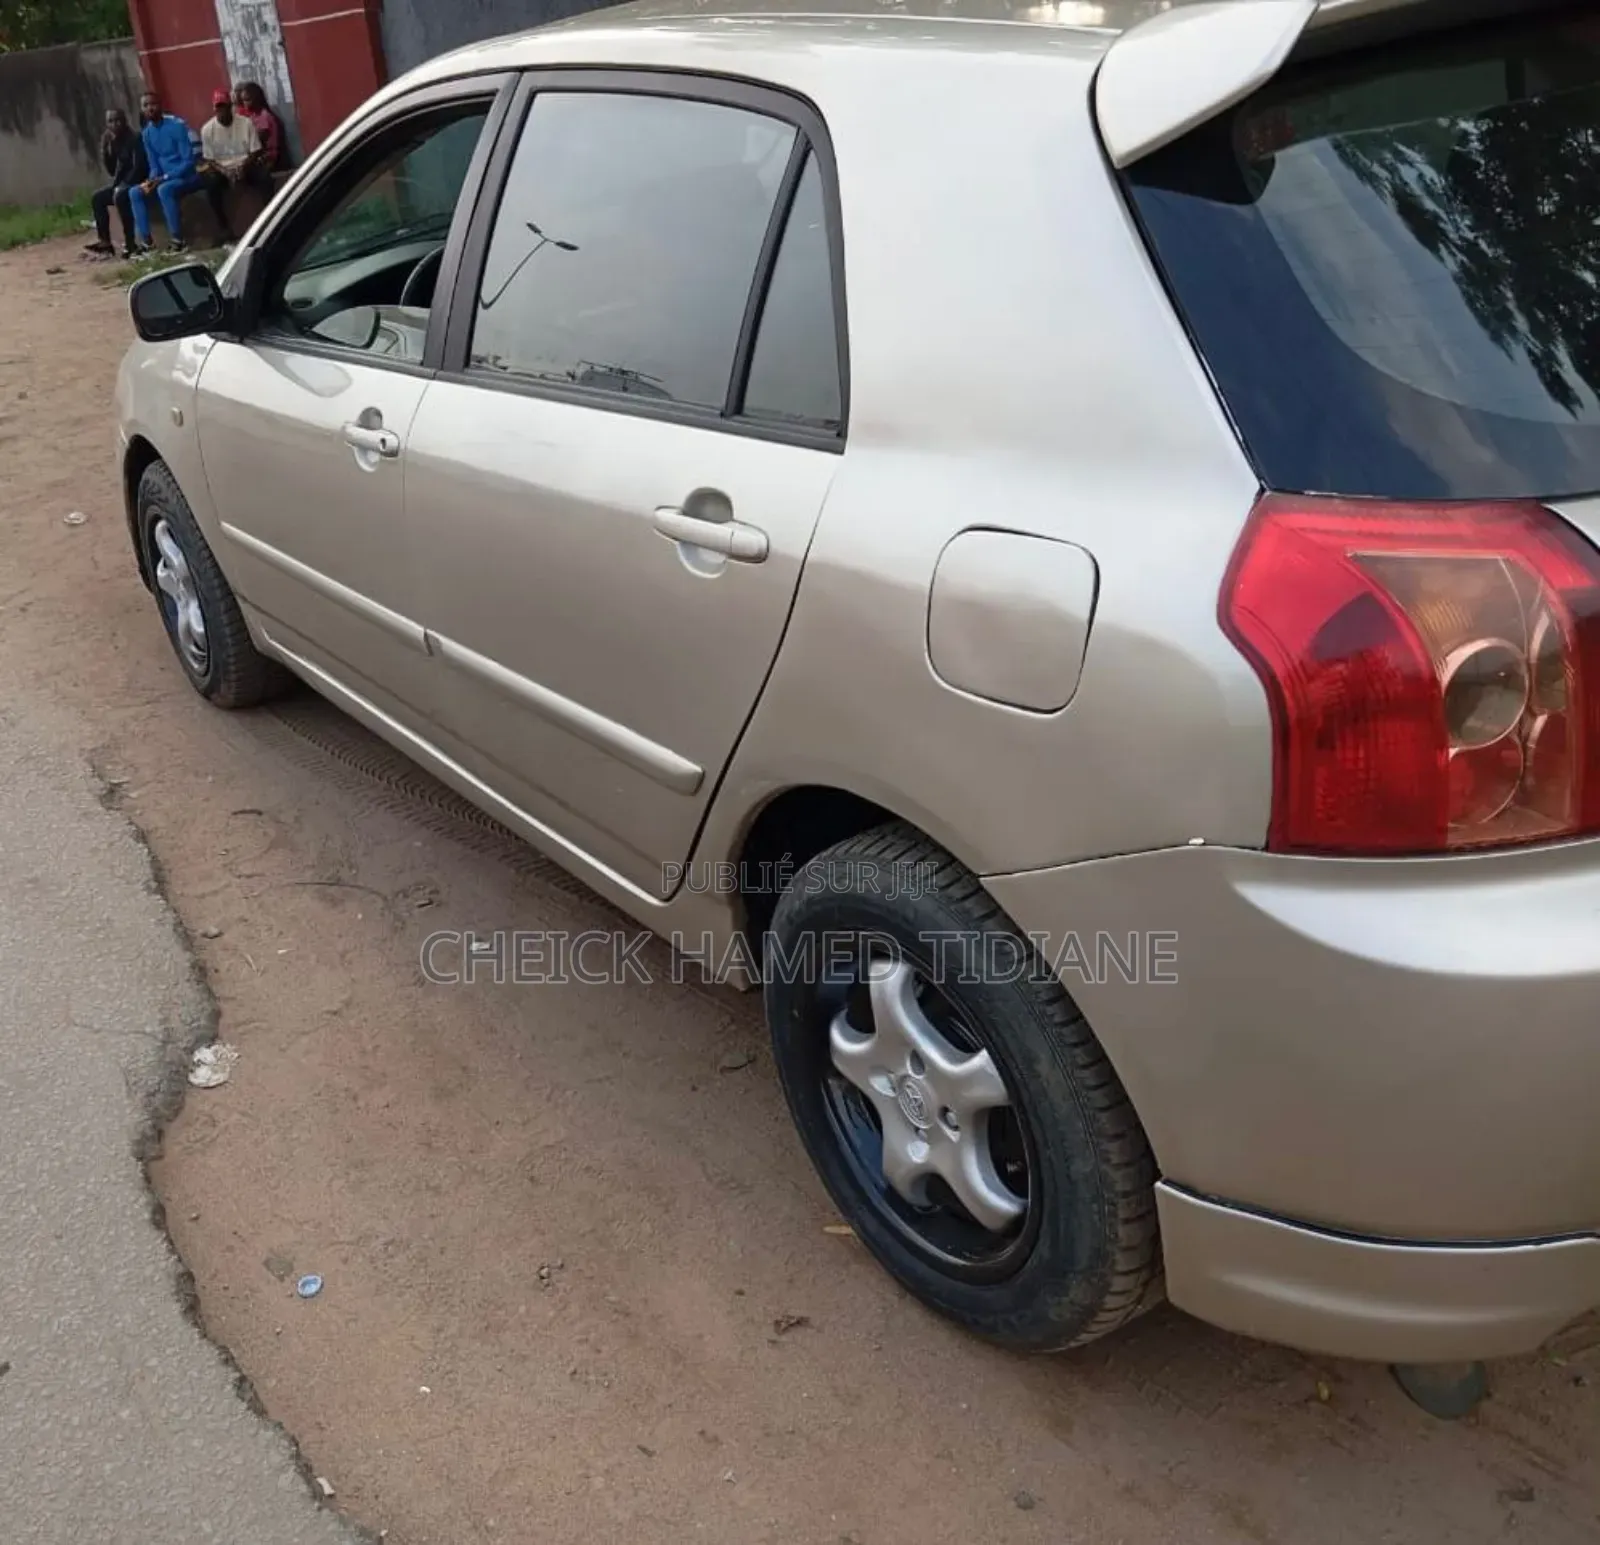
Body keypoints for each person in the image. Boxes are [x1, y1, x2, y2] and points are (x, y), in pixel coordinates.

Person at [128, 91, 203, 253]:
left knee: (165, 189)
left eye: (153, 104)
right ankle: (147, 243)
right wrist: (151, 180)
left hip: (186, 176)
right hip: (163, 178)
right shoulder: (147, 133)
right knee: (135, 192)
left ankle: (178, 240)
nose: (150, 108)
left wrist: (165, 178)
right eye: (145, 106)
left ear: (161, 106)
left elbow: (188, 162)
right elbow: (153, 164)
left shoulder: (177, 126)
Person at [198, 87, 266, 243]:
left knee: (264, 178)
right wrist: (225, 172)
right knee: (211, 185)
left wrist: (243, 167)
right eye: (218, 107)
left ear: (231, 107)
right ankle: (224, 228)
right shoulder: (207, 129)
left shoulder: (245, 123)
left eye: (225, 107)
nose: (222, 111)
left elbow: (256, 150)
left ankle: (268, 218)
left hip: (245, 164)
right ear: (214, 109)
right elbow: (209, 159)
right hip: (222, 169)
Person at [84, 109, 147, 258]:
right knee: (98, 198)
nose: (114, 124)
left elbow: (139, 167)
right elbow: (112, 171)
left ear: (124, 121)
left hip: (137, 182)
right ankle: (105, 242)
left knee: (120, 197)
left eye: (117, 120)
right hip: (121, 184)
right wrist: (105, 151)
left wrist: (123, 185)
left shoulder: (134, 138)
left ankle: (130, 243)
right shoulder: (113, 141)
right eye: (110, 121)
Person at [235, 82, 289, 174]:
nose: (245, 104)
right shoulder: (253, 116)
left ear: (256, 99)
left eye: (247, 100)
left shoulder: (264, 116)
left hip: (269, 159)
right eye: (243, 100)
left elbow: (258, 141)